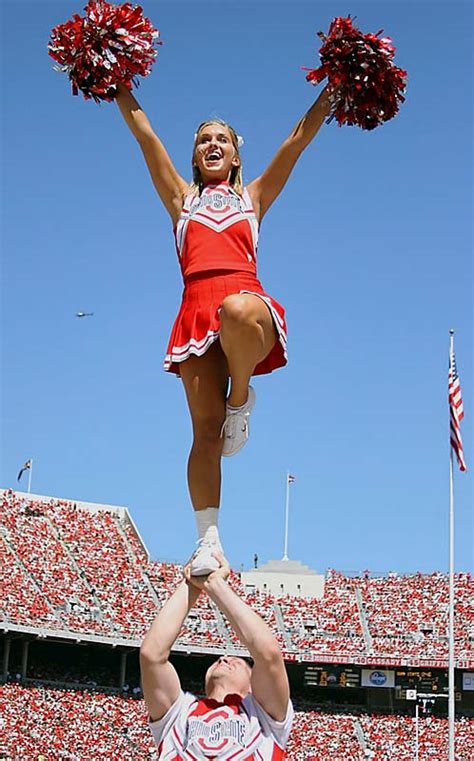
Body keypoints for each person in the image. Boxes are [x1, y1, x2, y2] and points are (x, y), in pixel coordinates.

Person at [115, 83, 335, 574]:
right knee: (205, 435)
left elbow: (295, 143)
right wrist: (115, 80)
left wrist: (332, 93)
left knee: (237, 309)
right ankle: (208, 539)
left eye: (223, 140)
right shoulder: (180, 200)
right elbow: (145, 135)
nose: (212, 145)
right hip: (193, 309)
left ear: (236, 155)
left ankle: (241, 397)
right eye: (203, 140)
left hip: (244, 304)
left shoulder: (253, 198)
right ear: (195, 155)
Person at [140, 553, 294, 758]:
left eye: (237, 662)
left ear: (253, 685)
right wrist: (191, 584)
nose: (223, 659)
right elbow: (152, 655)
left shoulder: (264, 716)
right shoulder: (178, 713)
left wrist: (216, 585)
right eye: (219, 659)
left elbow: (268, 655)